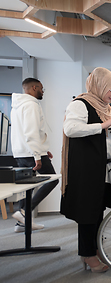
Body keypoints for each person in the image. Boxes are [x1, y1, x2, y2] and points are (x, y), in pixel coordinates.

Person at [60, 67, 111, 273]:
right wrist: (102, 125)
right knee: (87, 213)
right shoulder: (80, 104)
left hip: (106, 167)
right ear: (100, 85)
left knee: (98, 211)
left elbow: (109, 138)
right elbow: (70, 129)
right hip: (88, 168)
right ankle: (87, 254)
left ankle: (95, 248)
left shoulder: (110, 109)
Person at [10, 78, 59, 233]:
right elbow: (31, 132)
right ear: (33, 87)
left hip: (21, 152)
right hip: (32, 154)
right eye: (41, 89)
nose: (42, 92)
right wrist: (38, 154)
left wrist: (43, 149)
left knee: (27, 187)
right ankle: (24, 212)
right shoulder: (31, 104)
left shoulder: (17, 106)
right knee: (52, 180)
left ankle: (22, 223)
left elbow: (25, 132)